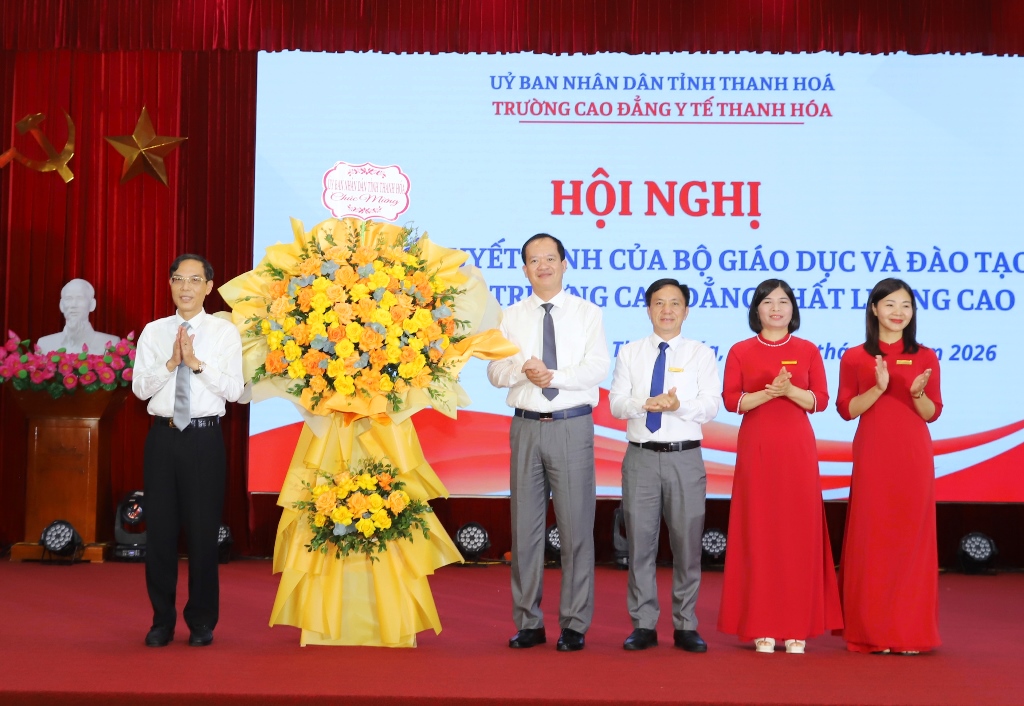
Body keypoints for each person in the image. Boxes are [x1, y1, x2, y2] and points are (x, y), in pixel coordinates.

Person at [486, 233, 610, 652]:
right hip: (526, 427)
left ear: (564, 263)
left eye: (550, 258)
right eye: (534, 260)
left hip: (571, 425)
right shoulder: (509, 317)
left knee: (576, 528)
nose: (543, 266)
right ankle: (529, 622)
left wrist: (552, 376)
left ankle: (574, 623)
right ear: (524, 269)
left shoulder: (587, 313)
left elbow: (597, 367)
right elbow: (495, 372)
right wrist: (524, 370)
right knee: (525, 529)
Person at [717, 278, 842, 654]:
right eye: (768, 301)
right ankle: (763, 626)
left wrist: (789, 391)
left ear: (793, 309)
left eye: (783, 301)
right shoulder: (741, 350)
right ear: (756, 309)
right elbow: (732, 401)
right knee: (759, 530)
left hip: (796, 449)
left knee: (797, 533)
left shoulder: (807, 350)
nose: (776, 308)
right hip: (757, 446)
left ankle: (797, 626)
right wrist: (767, 393)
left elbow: (820, 400)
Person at [132, 254, 244, 648]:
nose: (186, 287)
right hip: (162, 439)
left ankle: (201, 622)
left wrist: (195, 364)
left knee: (202, 534)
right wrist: (171, 363)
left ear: (209, 287)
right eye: (179, 279)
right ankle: (161, 621)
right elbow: (139, 389)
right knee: (160, 535)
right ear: (170, 284)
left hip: (203, 439)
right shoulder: (154, 331)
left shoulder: (224, 333)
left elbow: (234, 391)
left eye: (195, 280)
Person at [608, 278, 721, 653]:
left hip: (685, 458)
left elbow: (710, 406)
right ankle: (643, 624)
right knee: (640, 544)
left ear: (686, 311)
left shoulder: (701, 354)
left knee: (687, 545)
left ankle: (686, 624)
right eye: (659, 303)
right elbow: (616, 404)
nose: (667, 310)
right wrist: (644, 403)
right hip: (641, 456)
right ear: (648, 309)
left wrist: (677, 406)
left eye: (675, 303)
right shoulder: (630, 353)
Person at [836, 278, 942, 654]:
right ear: (874, 309)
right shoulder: (855, 357)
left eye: (906, 306)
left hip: (913, 456)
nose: (899, 313)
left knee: (911, 541)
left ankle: (909, 633)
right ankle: (871, 632)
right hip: (873, 454)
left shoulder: (925, 356)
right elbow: (847, 410)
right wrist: (878, 388)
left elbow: (931, 413)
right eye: (891, 305)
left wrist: (917, 394)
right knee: (873, 539)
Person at [36, 278, 120, 353]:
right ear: (61, 305)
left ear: (92, 305)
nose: (73, 305)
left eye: (80, 298)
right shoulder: (44, 344)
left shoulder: (112, 343)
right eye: (68, 299)